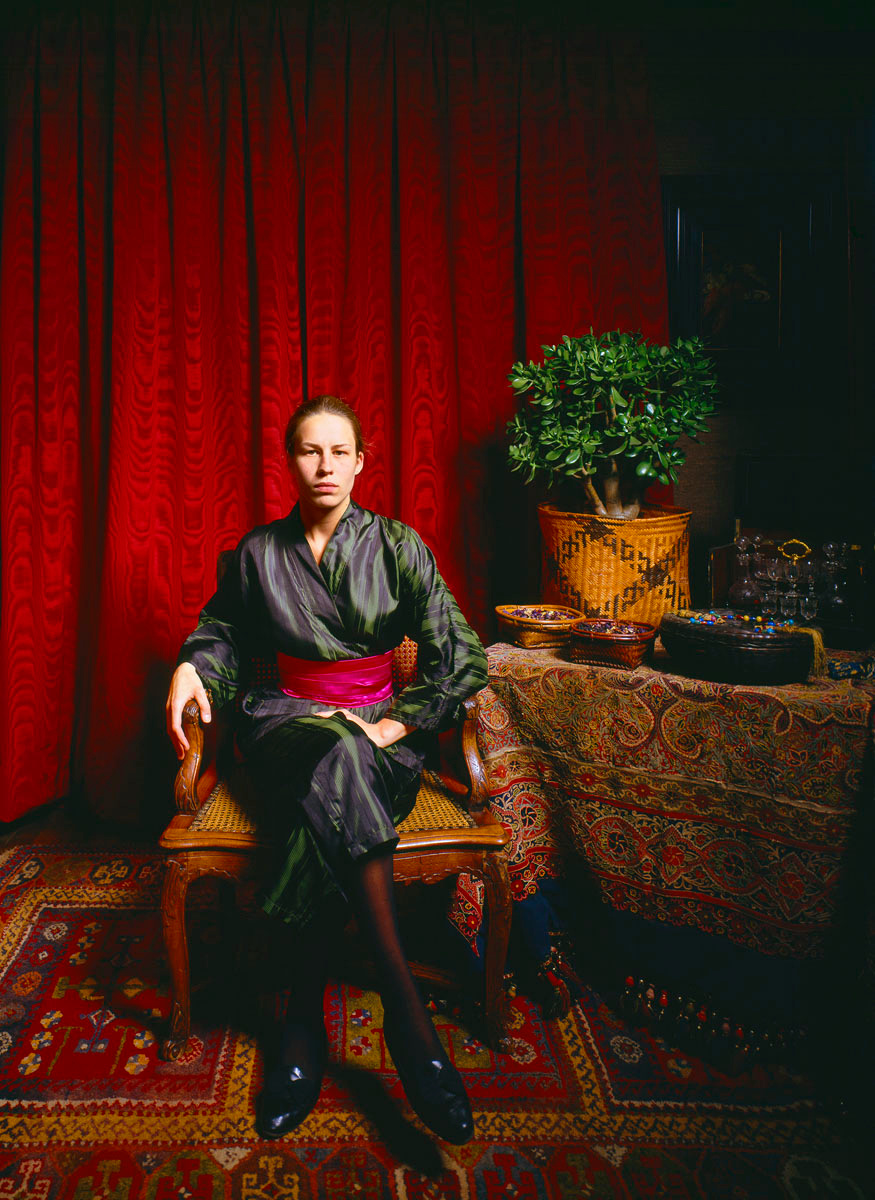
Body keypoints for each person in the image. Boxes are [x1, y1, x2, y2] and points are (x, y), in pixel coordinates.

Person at [165, 395, 488, 1144]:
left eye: (339, 452)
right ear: (290, 461)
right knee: (328, 748)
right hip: (283, 723)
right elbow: (218, 630)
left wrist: (398, 723)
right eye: (309, 451)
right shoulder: (256, 553)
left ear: (361, 461)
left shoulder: (400, 547)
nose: (325, 466)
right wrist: (189, 665)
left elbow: (459, 653)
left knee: (343, 758)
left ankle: (301, 1025)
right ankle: (409, 1023)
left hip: (379, 737)